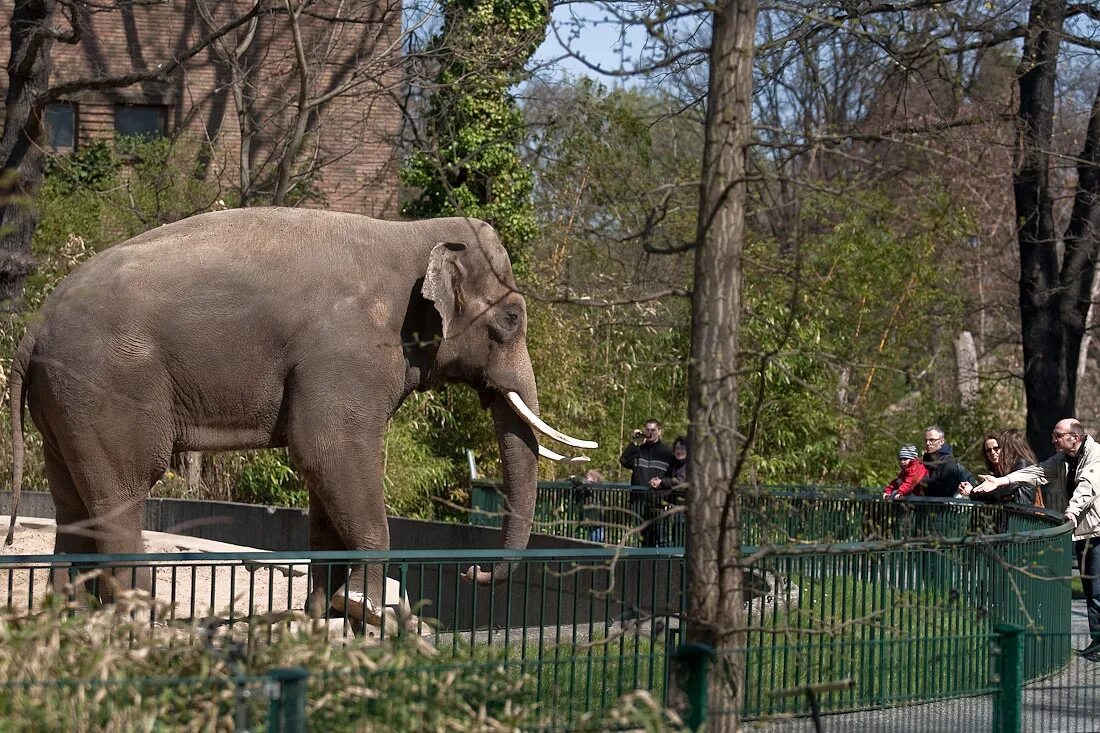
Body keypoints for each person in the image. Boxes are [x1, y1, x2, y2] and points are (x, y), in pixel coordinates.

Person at [973, 418, 1100, 660]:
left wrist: (1072, 510)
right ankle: (1097, 641)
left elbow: (1087, 487)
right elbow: (1036, 472)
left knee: (1096, 590)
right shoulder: (1063, 459)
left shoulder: (1095, 456)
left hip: (1097, 530)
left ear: (1075, 438)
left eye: (1057, 435)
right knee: (1091, 588)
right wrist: (1000, 481)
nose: (1053, 439)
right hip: (1085, 530)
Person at [619, 419, 675, 547]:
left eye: (653, 430)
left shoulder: (667, 453)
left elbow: (673, 477)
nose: (650, 433)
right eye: (647, 430)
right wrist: (634, 442)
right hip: (639, 501)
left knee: (662, 538)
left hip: (659, 503)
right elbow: (624, 460)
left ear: (659, 431)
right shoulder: (639, 450)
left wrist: (664, 486)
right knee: (644, 539)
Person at [959, 430, 1041, 507]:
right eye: (988, 450)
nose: (993, 453)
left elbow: (1002, 492)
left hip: (1021, 517)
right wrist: (974, 489)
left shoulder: (1023, 464)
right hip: (1014, 516)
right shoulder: (1013, 467)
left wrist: (972, 492)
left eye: (998, 447)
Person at [919, 426, 977, 498]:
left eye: (932, 440)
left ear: (942, 441)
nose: (928, 443)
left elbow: (948, 490)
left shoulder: (948, 462)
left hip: (944, 506)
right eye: (925, 440)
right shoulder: (923, 461)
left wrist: (923, 481)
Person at [571, 469, 606, 542]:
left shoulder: (595, 487)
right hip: (591, 519)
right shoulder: (589, 488)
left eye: (588, 477)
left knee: (596, 539)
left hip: (595, 518)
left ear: (595, 479)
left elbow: (583, 482)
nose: (586, 479)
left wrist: (573, 477)